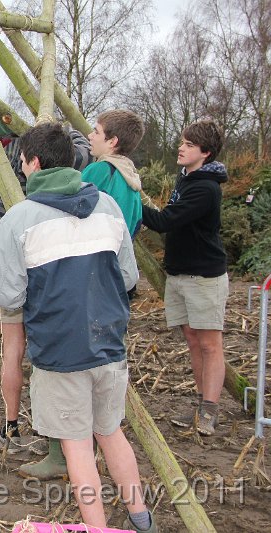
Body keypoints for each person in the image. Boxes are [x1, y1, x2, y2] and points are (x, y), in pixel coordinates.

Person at [0, 123, 157, 532]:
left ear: (35, 163)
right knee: (111, 433)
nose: (23, 168)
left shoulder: (20, 219)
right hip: (109, 345)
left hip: (60, 352)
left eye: (23, 161)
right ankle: (142, 520)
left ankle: (97, 529)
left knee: (78, 449)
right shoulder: (109, 207)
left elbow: (7, 296)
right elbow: (129, 277)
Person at [0, 116, 92, 470]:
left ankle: (20, 428)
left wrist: (52, 132)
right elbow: (81, 153)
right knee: (36, 348)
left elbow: (79, 153)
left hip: (17, 268)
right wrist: (58, 131)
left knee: (18, 349)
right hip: (36, 266)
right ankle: (29, 428)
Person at [141, 119, 228, 437]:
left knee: (209, 344)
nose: (181, 147)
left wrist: (129, 201)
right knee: (192, 340)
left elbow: (166, 221)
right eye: (182, 141)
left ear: (205, 152)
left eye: (189, 144)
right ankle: (201, 400)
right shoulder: (186, 178)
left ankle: (210, 409)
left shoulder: (206, 188)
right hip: (179, 274)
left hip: (203, 277)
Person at [82, 109, 145, 239]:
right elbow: (136, 224)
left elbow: (71, 209)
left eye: (96, 132)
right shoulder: (132, 179)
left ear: (112, 142)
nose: (90, 135)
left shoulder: (100, 170)